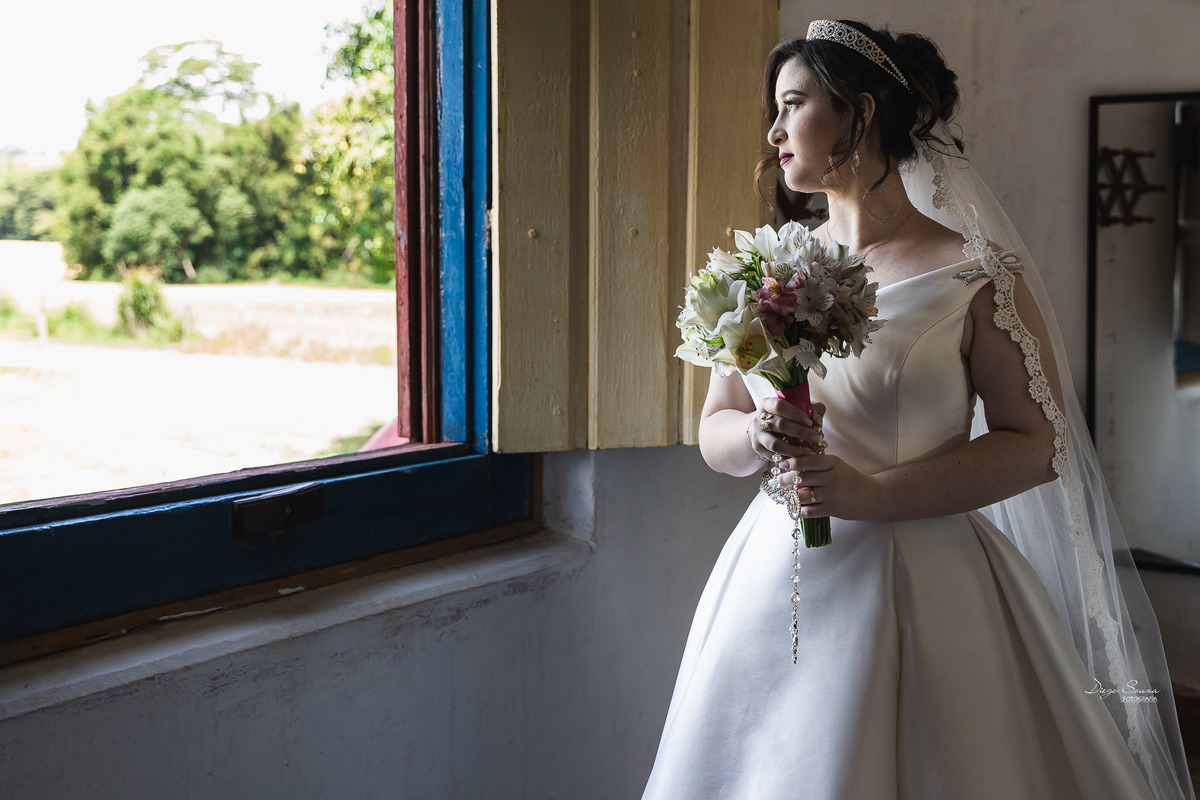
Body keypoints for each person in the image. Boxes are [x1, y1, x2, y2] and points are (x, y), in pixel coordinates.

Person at [643, 19, 1195, 800]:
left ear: (860, 112)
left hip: (928, 585)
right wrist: (758, 435)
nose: (773, 131)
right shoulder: (762, 267)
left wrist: (868, 493)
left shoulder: (973, 274)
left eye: (793, 104)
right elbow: (714, 430)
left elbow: (1037, 443)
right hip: (776, 580)